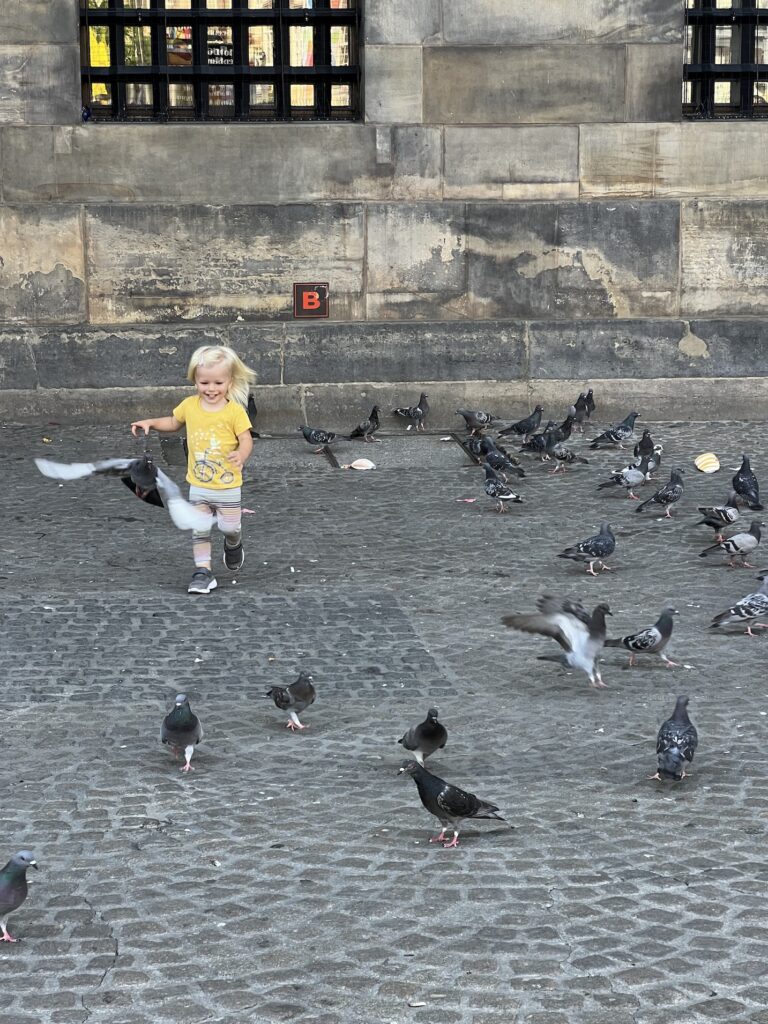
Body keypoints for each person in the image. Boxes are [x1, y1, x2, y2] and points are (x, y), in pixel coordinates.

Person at [131, 345, 256, 594]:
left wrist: (241, 454)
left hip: (228, 484)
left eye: (218, 383)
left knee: (229, 527)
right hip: (198, 484)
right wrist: (151, 423)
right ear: (195, 381)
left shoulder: (234, 411)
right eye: (204, 382)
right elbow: (173, 422)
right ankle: (203, 572)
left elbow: (247, 439)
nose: (211, 389)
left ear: (230, 382)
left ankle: (234, 544)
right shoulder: (189, 405)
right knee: (200, 529)